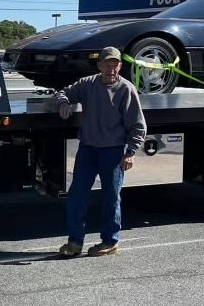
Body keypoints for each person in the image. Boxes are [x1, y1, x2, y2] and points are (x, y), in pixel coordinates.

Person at [54, 46, 147, 257]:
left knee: (111, 197)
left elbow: (138, 125)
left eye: (115, 64)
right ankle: (75, 242)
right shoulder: (88, 84)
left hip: (113, 153)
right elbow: (64, 92)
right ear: (99, 65)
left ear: (120, 66)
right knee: (77, 195)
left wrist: (130, 151)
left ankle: (110, 241)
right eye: (107, 64)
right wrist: (63, 103)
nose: (111, 68)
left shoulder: (126, 89)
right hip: (87, 149)